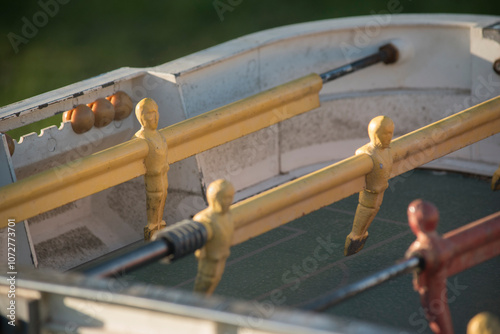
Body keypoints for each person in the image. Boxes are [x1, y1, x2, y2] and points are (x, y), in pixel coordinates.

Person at [344, 116, 394, 256]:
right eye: (385, 133)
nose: (389, 137)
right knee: (366, 210)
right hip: (370, 192)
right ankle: (355, 236)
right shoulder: (367, 153)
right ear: (375, 134)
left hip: (380, 191)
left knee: (373, 210)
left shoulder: (388, 150)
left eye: (391, 133)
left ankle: (361, 235)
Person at [134, 98, 169, 241]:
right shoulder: (141, 138)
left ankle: (160, 226)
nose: (155, 117)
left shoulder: (159, 135)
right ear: (141, 117)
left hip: (163, 176)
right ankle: (152, 231)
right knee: (156, 198)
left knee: (163, 196)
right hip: (153, 180)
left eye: (156, 112)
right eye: (149, 113)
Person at [193, 179, 235, 295]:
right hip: (209, 260)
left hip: (220, 257)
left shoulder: (228, 216)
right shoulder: (204, 219)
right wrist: (201, 253)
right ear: (214, 199)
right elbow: (199, 248)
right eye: (224, 198)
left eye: (229, 198)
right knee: (205, 283)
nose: (227, 202)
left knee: (214, 281)